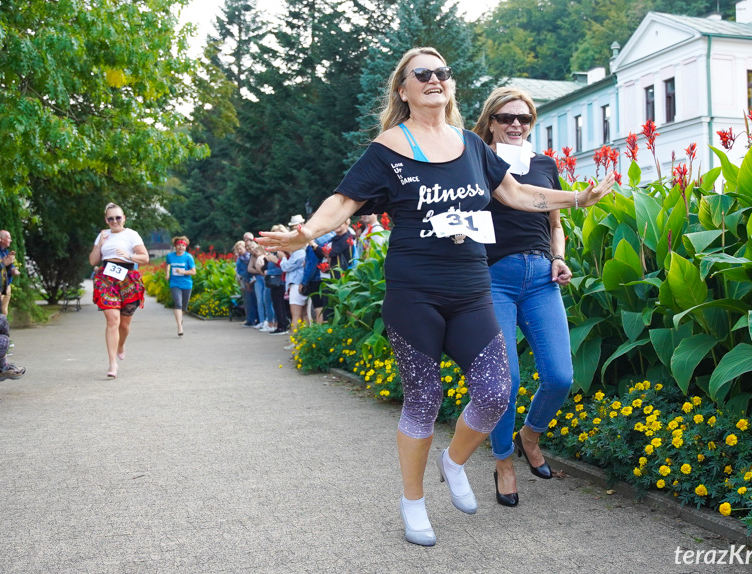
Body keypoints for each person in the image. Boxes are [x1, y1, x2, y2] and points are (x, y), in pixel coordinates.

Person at [257, 47, 614, 547]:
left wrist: (575, 198)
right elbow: (343, 202)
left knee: (494, 392)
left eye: (442, 73)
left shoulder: (471, 145)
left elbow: (515, 194)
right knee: (424, 399)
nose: (434, 79)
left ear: (451, 86)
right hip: (414, 292)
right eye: (421, 74)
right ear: (402, 90)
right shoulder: (387, 148)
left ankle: (454, 461)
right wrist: (307, 233)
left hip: (471, 290)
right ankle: (413, 501)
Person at [472, 87, 575, 507]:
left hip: (540, 277)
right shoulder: (476, 164)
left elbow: (556, 224)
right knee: (505, 380)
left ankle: (529, 435)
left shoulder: (545, 165)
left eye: (524, 118)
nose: (516, 124)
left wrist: (560, 257)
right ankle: (503, 462)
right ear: (491, 122)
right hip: (493, 279)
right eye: (506, 117)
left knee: (559, 377)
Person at [89, 203, 148, 378]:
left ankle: (121, 344)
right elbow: (93, 261)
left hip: (128, 278)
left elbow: (144, 258)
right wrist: (99, 244)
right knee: (112, 320)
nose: (114, 221)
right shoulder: (103, 235)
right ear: (106, 220)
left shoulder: (131, 234)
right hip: (107, 278)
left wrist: (128, 255)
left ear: (124, 218)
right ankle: (112, 363)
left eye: (118, 217)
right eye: (110, 218)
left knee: (124, 325)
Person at [165, 236, 196, 337]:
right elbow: (167, 264)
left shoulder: (188, 257)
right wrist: (167, 274)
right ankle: (180, 327)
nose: (180, 247)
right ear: (175, 246)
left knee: (183, 307)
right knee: (178, 304)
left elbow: (193, 272)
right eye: (179, 245)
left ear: (186, 247)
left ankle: (180, 320)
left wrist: (183, 271)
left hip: (187, 284)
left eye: (183, 245)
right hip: (174, 284)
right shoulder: (170, 256)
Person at [263, 225, 290, 335]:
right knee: (276, 304)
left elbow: (282, 267)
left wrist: (269, 272)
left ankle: (283, 325)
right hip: (275, 282)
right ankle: (281, 324)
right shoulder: (274, 250)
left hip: (280, 280)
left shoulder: (282, 250)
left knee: (280, 304)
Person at [233, 240, 257, 327]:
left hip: (254, 280)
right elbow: (240, 271)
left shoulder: (249, 257)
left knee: (254, 301)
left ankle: (255, 319)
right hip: (246, 281)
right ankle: (250, 319)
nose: (239, 251)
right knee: (248, 302)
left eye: (240, 248)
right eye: (237, 249)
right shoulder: (239, 259)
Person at [0, 230, 19, 316]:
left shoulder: (5, 251)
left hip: (7, 284)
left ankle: (3, 328)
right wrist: (5, 262)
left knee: (4, 310)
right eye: (8, 238)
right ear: (2, 239)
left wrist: (13, 270)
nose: (10, 240)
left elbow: (9, 266)